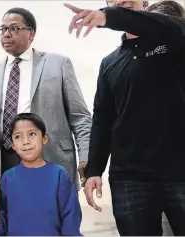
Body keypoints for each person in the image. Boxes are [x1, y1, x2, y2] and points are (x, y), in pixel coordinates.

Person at [64, 1, 185, 235]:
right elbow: (102, 119)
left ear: (146, 3)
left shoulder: (175, 39)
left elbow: (175, 27)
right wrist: (94, 170)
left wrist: (108, 17)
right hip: (130, 179)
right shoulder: (110, 63)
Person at [0, 7, 92, 190]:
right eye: (3, 29)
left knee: (53, 218)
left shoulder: (58, 65)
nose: (6, 34)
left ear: (31, 34)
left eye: (14, 28)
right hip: (3, 167)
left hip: (51, 160)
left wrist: (86, 155)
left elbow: (80, 117)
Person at [0, 113, 82, 236]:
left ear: (44, 138)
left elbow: (70, 219)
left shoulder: (59, 175)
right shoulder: (8, 178)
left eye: (32, 134)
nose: (26, 142)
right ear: (12, 144)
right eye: (18, 137)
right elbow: (2, 220)